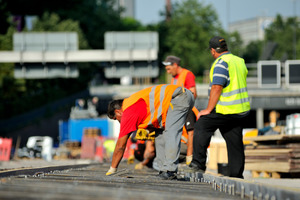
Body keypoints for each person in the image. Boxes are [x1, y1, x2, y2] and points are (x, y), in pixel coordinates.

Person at [186, 36, 250, 178]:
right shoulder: (239, 61)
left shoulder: (221, 63)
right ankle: (236, 174)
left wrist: (208, 109)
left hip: (225, 109)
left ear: (213, 51)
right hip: (240, 110)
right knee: (234, 141)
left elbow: (217, 87)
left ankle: (198, 164)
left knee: (202, 125)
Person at [105, 84, 194, 180]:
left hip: (179, 97)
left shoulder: (128, 111)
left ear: (118, 112)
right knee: (159, 133)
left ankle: (170, 170)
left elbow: (120, 146)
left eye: (116, 119)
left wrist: (112, 170)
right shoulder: (133, 103)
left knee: (171, 132)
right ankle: (163, 170)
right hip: (177, 98)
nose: (119, 122)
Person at [163, 55, 198, 165]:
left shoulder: (187, 74)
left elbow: (193, 93)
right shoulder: (175, 78)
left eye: (169, 69)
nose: (168, 72)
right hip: (178, 109)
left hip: (186, 109)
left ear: (175, 65)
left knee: (189, 132)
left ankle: (189, 157)